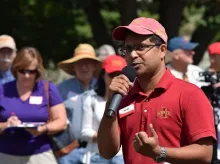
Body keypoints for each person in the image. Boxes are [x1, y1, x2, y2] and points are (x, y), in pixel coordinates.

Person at [97, 17, 216, 164]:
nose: (132, 55)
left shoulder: (189, 94)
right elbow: (106, 152)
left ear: (162, 50)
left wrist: (160, 152)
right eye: (127, 49)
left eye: (140, 47)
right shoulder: (123, 98)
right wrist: (110, 101)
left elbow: (205, 154)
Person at [0, 47, 67, 164]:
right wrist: (6, 125)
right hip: (6, 154)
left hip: (40, 153)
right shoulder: (3, 90)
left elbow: (62, 122)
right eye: (22, 71)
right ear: (15, 69)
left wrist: (42, 129)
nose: (26, 75)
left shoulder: (47, 88)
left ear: (38, 71)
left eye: (31, 71)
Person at [57, 43, 101, 164]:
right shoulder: (61, 89)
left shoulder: (104, 88)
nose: (84, 67)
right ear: (73, 67)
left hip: (99, 150)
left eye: (88, 62)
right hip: (69, 152)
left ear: (94, 66)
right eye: (79, 63)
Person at [81, 55, 126, 164]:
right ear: (103, 75)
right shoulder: (91, 99)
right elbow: (85, 132)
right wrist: (110, 137)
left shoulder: (132, 100)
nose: (115, 79)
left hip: (122, 157)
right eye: (111, 74)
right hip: (97, 157)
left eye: (119, 75)